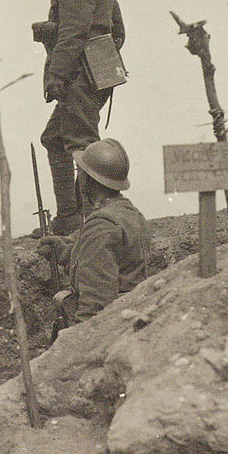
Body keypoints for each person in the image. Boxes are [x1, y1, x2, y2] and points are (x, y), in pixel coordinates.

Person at [33, 0, 126, 235]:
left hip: (79, 70)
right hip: (100, 69)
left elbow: (74, 29)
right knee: (55, 138)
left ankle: (94, 221)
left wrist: (58, 73)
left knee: (81, 144)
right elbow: (118, 31)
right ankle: (71, 218)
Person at [38, 138, 150, 326]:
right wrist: (64, 252)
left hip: (110, 327)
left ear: (88, 179)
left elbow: (95, 306)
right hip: (130, 318)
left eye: (80, 172)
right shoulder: (130, 214)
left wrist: (77, 340)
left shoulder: (101, 226)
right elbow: (110, 262)